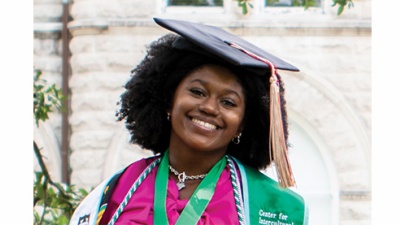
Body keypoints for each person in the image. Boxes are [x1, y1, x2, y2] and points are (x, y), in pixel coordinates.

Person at [70, 18, 309, 225]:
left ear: (244, 123)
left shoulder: (273, 207)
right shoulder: (119, 189)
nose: (209, 107)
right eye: (197, 92)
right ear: (168, 99)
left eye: (228, 102)